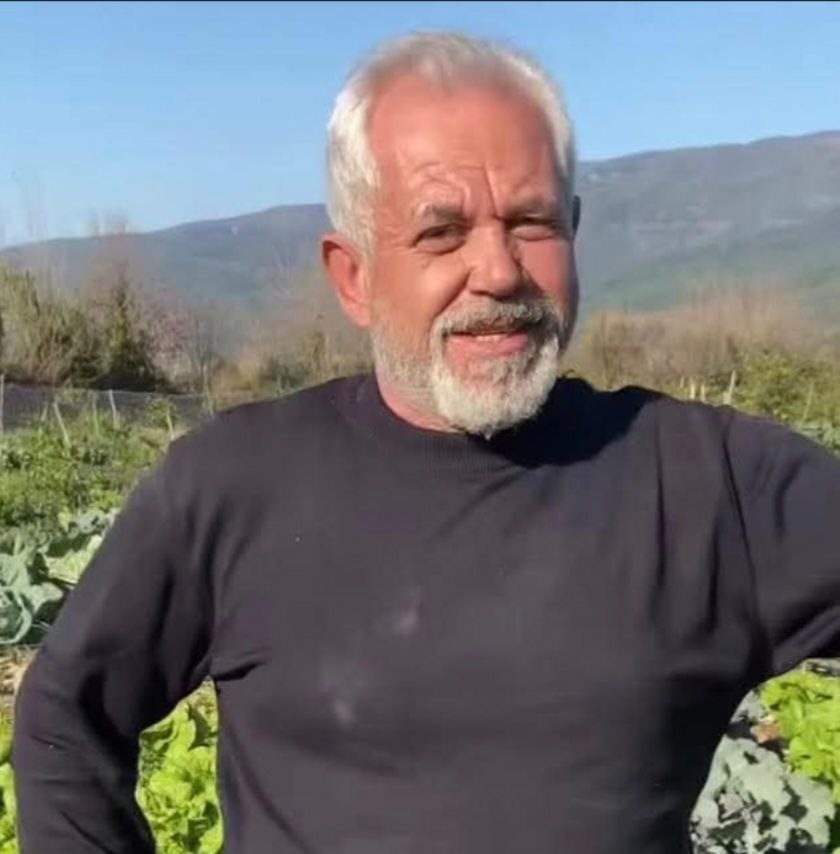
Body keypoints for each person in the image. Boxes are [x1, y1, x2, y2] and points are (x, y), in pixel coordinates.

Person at [12, 31, 840, 854]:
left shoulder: (712, 484)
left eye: (532, 223)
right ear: (354, 276)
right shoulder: (233, 483)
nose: (499, 271)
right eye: (441, 232)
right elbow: (64, 717)